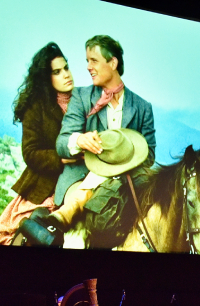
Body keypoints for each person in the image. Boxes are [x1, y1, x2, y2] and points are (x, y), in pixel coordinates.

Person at [51, 35, 156, 233]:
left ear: (113, 62)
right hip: (80, 178)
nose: (88, 67)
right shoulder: (81, 96)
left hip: (126, 181)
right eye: (87, 61)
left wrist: (123, 158)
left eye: (94, 61)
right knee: (78, 234)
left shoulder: (143, 107)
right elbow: (62, 143)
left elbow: (149, 155)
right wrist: (80, 140)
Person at [0, 42, 74, 245]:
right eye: (57, 71)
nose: (66, 74)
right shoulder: (37, 107)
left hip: (81, 178)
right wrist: (61, 158)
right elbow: (30, 152)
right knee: (16, 237)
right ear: (47, 77)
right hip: (45, 185)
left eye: (66, 67)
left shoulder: (84, 99)